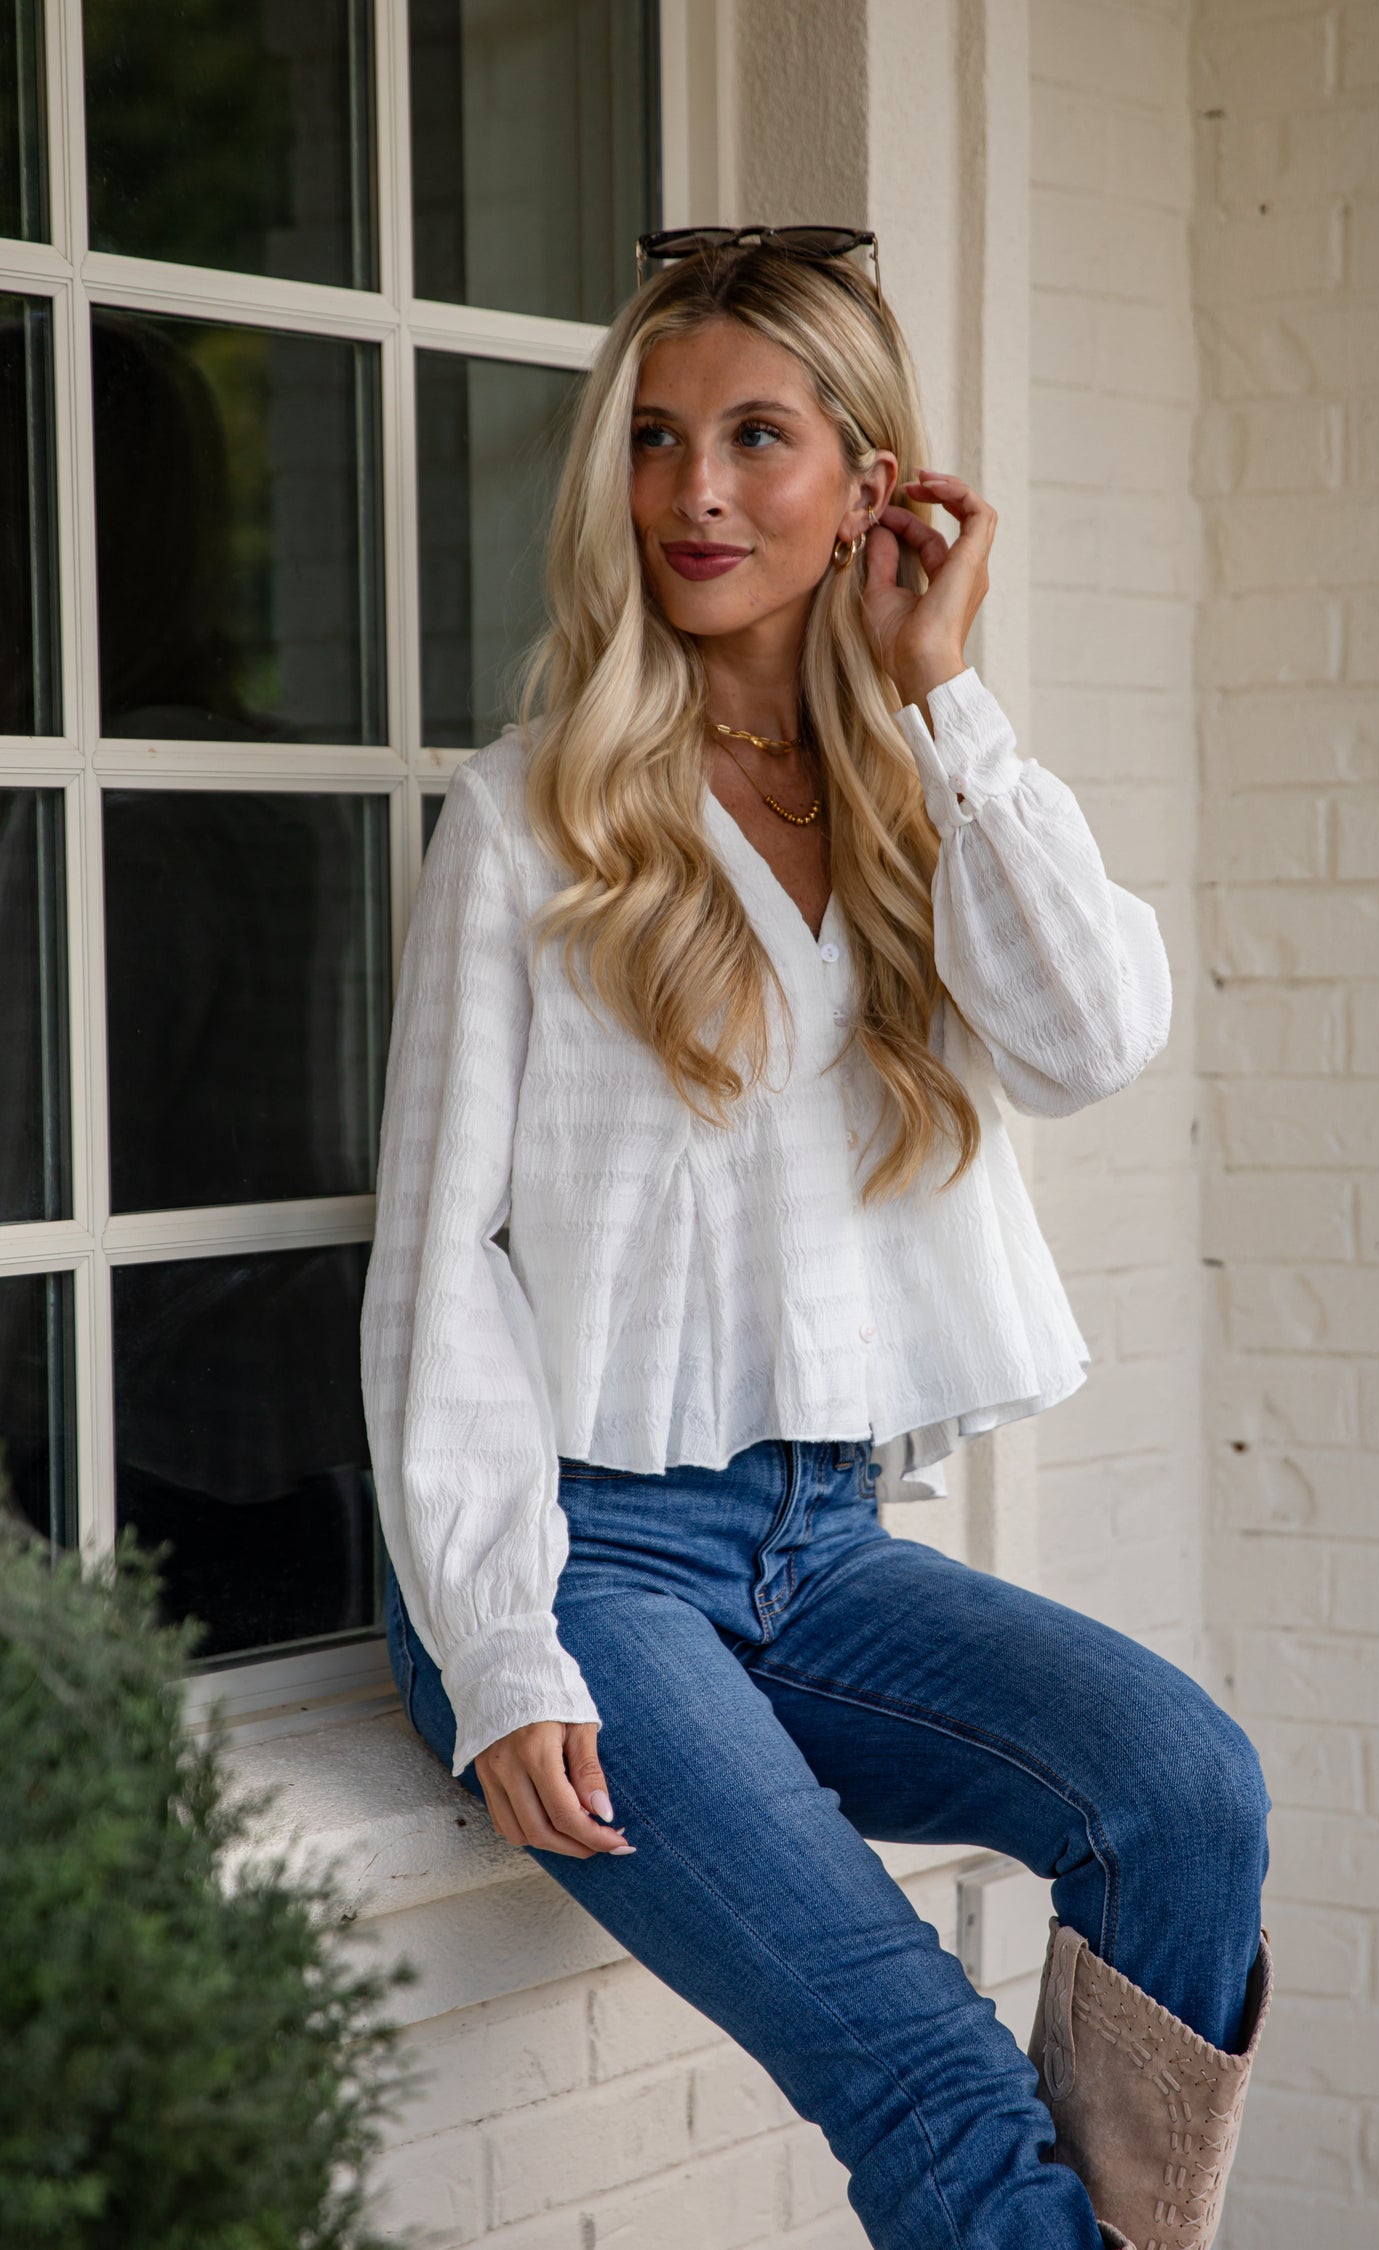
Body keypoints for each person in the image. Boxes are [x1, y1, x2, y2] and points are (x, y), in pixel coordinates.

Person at [361, 229, 1272, 2250]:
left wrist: (946, 696)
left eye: (757, 439)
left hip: (826, 1550)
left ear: (873, 484)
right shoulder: (531, 815)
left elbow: (1096, 1037)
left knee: (1185, 1790)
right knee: (934, 2086)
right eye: (658, 440)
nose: (691, 494)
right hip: (583, 1564)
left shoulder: (923, 797)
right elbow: (435, 1261)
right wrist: (501, 1643)